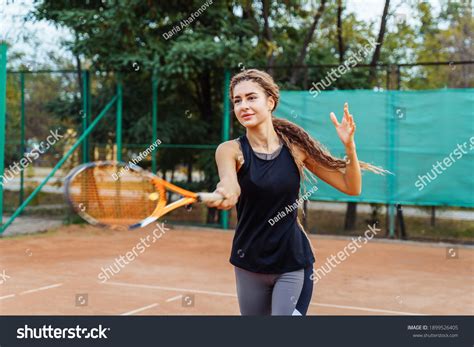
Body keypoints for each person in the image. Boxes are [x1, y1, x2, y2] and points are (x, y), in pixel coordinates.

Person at [207, 69, 386, 316]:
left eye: (251, 98)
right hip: (249, 261)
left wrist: (350, 147)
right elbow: (229, 184)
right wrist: (225, 191)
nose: (243, 106)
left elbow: (351, 187)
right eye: (237, 101)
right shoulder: (229, 150)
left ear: (270, 102)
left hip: (293, 262)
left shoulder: (296, 149)